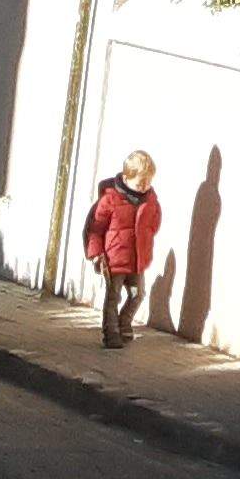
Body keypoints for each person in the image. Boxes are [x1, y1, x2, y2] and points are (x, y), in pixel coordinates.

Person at [82, 150, 162, 350]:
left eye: (148, 182)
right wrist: (96, 254)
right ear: (126, 178)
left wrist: (146, 241)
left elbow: (154, 222)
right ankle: (111, 333)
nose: (144, 187)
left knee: (137, 294)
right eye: (139, 183)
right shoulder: (110, 200)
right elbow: (95, 228)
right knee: (113, 296)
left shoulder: (150, 200)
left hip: (136, 260)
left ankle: (124, 322)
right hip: (114, 259)